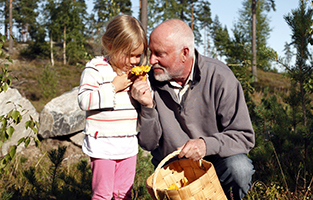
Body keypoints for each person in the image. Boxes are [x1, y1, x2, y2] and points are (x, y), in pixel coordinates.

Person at [131, 19, 255, 200]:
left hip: (214, 163)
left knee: (240, 168)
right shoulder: (147, 82)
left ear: (184, 53)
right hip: (173, 171)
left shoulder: (220, 77)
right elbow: (148, 144)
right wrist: (148, 107)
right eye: (150, 52)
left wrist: (206, 145)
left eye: (159, 54)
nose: (151, 60)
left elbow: (244, 137)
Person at [77, 14, 147, 200]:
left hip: (128, 144)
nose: (134, 61)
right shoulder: (96, 68)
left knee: (124, 194)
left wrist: (142, 92)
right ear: (110, 47)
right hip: (103, 144)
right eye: (129, 55)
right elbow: (84, 100)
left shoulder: (134, 74)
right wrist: (114, 87)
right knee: (103, 194)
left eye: (138, 56)